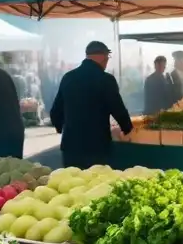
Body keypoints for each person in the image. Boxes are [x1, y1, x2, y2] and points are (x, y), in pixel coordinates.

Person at [50, 41, 133, 169]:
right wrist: (127, 128)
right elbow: (117, 108)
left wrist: (60, 127)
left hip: (71, 146)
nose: (107, 61)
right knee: (95, 184)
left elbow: (55, 110)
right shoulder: (106, 79)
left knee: (73, 184)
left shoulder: (68, 77)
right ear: (101, 56)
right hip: (96, 146)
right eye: (107, 57)